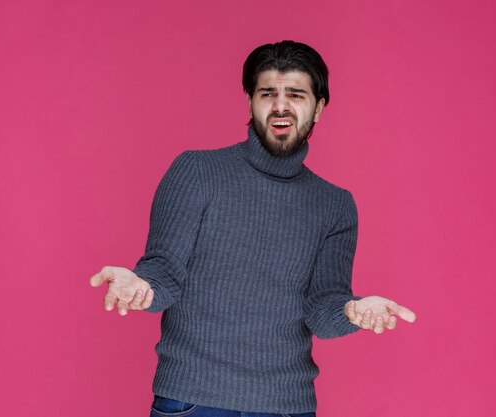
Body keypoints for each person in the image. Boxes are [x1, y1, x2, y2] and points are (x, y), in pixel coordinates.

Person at [89, 40, 416, 417]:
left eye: (296, 94)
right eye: (268, 94)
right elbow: (163, 273)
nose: (281, 106)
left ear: (319, 108)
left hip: (286, 406)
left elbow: (322, 310)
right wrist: (141, 286)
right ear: (250, 103)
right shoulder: (196, 172)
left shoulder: (335, 205)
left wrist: (353, 310)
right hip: (193, 400)